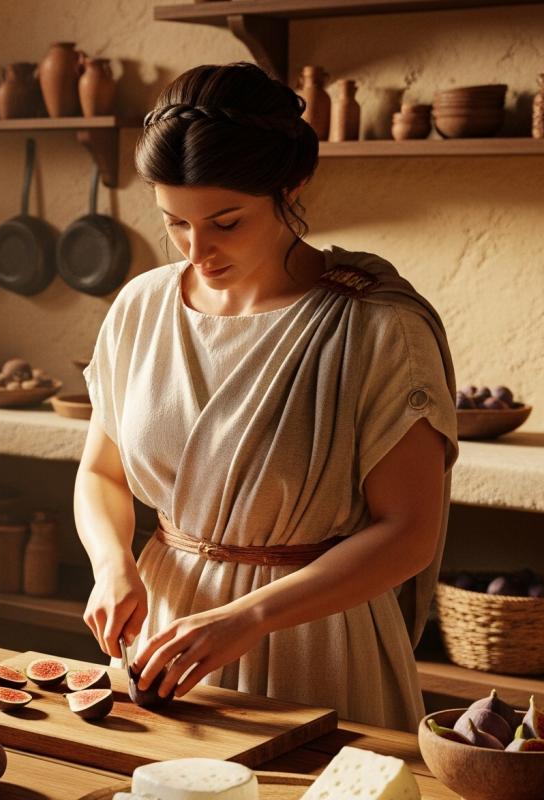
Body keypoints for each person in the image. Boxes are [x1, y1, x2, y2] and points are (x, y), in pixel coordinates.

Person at [74, 63, 459, 729]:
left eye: (226, 221)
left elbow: (409, 535)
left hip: (314, 639)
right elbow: (101, 473)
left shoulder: (376, 325)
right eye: (176, 223)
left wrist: (250, 616)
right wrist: (112, 566)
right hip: (166, 638)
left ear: (292, 185)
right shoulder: (140, 306)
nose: (198, 250)